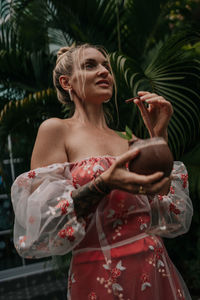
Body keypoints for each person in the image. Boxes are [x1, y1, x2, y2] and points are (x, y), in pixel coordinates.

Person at [11, 43, 193, 300]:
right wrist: (103, 183)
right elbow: (46, 220)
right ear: (67, 83)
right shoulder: (56, 130)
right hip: (100, 273)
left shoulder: (126, 137)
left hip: (154, 265)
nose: (104, 71)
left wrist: (157, 133)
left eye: (106, 65)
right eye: (90, 65)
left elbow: (163, 202)